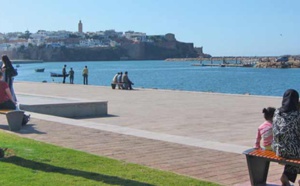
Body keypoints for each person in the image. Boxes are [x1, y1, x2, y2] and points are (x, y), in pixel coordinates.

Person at [272, 89, 300, 185]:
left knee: (293, 150)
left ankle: (287, 176)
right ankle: (287, 176)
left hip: (277, 148)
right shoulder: (297, 115)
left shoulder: (277, 112)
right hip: (291, 150)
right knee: (294, 151)